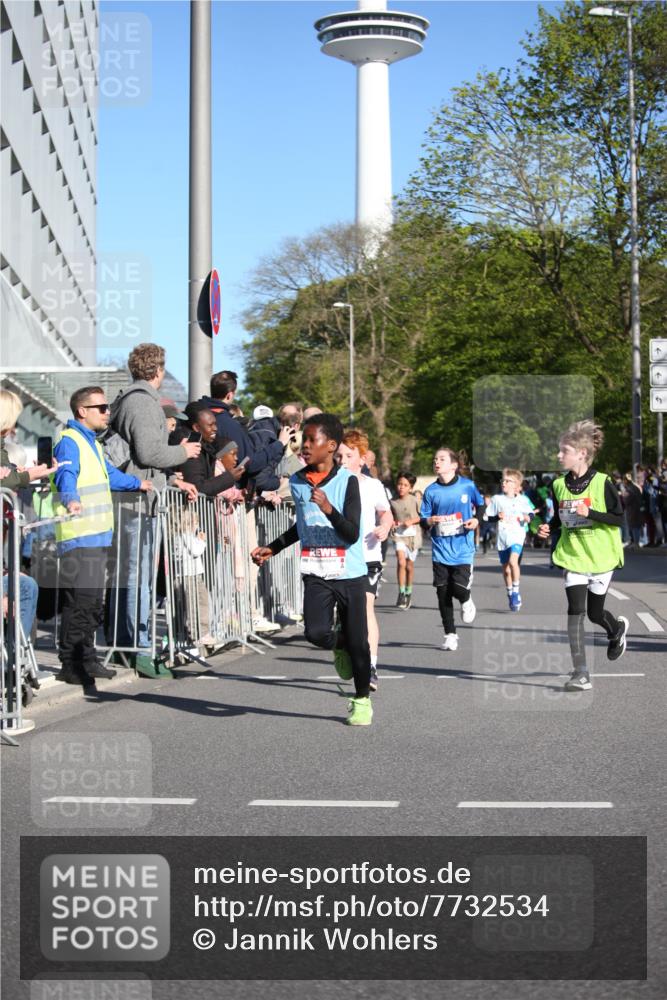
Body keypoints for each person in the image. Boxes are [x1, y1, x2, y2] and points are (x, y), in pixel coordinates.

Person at [251, 414, 373, 726]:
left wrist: (330, 510)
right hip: (316, 570)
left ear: (331, 446)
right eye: (302, 440)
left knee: (361, 642)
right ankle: (339, 643)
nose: (304, 446)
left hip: (350, 572)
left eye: (311, 440)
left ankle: (361, 700)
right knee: (316, 633)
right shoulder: (297, 481)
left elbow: (351, 533)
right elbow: (301, 526)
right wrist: (274, 546)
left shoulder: (348, 482)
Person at [52, 387, 153, 688]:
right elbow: (64, 476)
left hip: (95, 536)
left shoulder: (91, 444)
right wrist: (70, 499)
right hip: (79, 535)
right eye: (102, 407)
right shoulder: (69, 442)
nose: (107, 412)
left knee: (93, 603)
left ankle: (87, 658)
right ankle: (71, 663)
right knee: (81, 603)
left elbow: (110, 475)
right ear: (82, 411)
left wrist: (139, 483)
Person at [108, 344, 200, 671]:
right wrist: (183, 453)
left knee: (130, 576)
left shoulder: (128, 399)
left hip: (133, 499)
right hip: (140, 502)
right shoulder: (144, 403)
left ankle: (123, 644)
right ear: (158, 370)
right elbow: (149, 454)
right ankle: (141, 649)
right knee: (140, 577)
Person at [538, 420, 627, 692]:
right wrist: (548, 527)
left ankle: (616, 631)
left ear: (582, 454)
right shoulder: (557, 486)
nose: (558, 456)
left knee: (594, 613)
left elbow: (619, 518)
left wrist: (592, 514)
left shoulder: (602, 482)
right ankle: (581, 672)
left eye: (564, 451)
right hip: (573, 555)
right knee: (575, 613)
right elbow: (560, 519)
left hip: (600, 556)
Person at [337, 429, 393, 692]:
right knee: (344, 616)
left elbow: (386, 514)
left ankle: (370, 665)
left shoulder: (372, 486)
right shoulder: (329, 484)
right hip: (337, 558)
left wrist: (384, 527)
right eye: (339, 455)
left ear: (362, 459)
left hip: (368, 556)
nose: (342, 460)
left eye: (349, 455)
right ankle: (343, 644)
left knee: (366, 609)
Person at [420, 448, 484, 652]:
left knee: (457, 588)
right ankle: (450, 634)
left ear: (454, 465)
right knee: (442, 593)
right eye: (435, 459)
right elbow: (424, 518)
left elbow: (481, 506)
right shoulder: (431, 491)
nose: (436, 462)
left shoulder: (467, 486)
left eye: (441, 459)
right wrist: (429, 520)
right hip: (440, 548)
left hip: (463, 548)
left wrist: (476, 520)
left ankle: (466, 599)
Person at [483, 469, 535, 611]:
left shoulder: (522, 500)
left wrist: (528, 518)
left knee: (513, 562)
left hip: (517, 535)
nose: (504, 483)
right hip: (503, 538)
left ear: (516, 485)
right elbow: (486, 517)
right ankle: (510, 591)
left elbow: (531, 513)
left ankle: (516, 592)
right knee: (506, 571)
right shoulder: (497, 499)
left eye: (507, 481)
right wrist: (497, 517)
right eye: (503, 481)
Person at [178, 404, 245, 496]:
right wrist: (230, 477)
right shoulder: (191, 449)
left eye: (215, 424)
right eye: (210, 425)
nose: (215, 428)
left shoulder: (206, 447)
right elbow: (197, 487)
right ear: (196, 427)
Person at [389, 472, 421, 608]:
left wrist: (412, 521)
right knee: (401, 562)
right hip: (399, 536)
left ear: (411, 488)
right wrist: (391, 523)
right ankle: (401, 592)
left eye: (405, 485)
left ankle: (408, 592)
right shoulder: (392, 501)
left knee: (409, 565)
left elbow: (424, 516)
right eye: (399, 484)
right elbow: (388, 517)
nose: (401, 487)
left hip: (413, 536)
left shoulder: (415, 501)